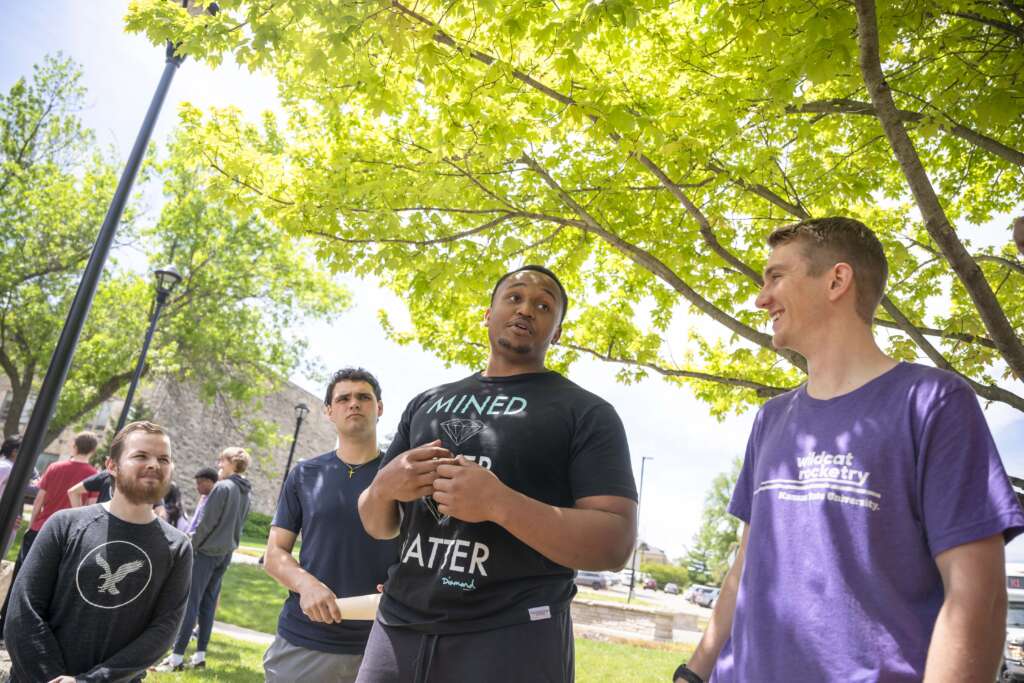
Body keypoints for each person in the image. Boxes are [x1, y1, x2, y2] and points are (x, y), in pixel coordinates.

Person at [672, 217, 1024, 683]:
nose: (761, 298)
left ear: (837, 280)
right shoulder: (772, 419)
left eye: (776, 276)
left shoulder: (933, 402)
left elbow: (977, 597)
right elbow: (744, 568)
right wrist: (694, 673)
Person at [356, 265, 638, 682]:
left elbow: (615, 544)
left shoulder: (587, 413)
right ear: (488, 314)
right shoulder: (425, 403)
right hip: (399, 628)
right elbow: (378, 525)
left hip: (513, 634)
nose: (526, 309)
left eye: (544, 305)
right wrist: (382, 488)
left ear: (556, 331)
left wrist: (498, 504)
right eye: (514, 297)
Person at [3, 421, 193, 682]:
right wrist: (51, 676)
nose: (154, 464)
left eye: (164, 458)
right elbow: (23, 611)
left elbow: (164, 631)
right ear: (111, 466)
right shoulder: (64, 524)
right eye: (140, 455)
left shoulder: (178, 547)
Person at [263, 368, 400, 682]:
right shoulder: (304, 474)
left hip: (383, 642)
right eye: (344, 398)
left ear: (379, 408)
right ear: (329, 411)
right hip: (306, 637)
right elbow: (274, 554)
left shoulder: (401, 475)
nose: (354, 404)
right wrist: (305, 584)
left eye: (364, 397)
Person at [156, 446, 252, 672]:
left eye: (222, 461)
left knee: (191, 603)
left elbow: (206, 524)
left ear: (232, 463)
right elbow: (241, 523)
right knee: (208, 605)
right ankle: (199, 657)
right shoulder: (246, 491)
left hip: (206, 553)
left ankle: (176, 659)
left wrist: (191, 546)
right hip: (225, 554)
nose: (219, 464)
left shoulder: (223, 488)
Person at [0, 431, 100, 633]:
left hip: (40, 528)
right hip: (67, 535)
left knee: (20, 576)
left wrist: (31, 525)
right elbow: (90, 506)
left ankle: (3, 626)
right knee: (48, 583)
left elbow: (39, 499)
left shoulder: (54, 467)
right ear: (94, 451)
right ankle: (28, 628)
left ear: (74, 446)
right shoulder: (93, 476)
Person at [185, 467, 219, 535]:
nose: (197, 487)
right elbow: (195, 520)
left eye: (199, 483)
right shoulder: (203, 498)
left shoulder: (215, 500)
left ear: (209, 482)